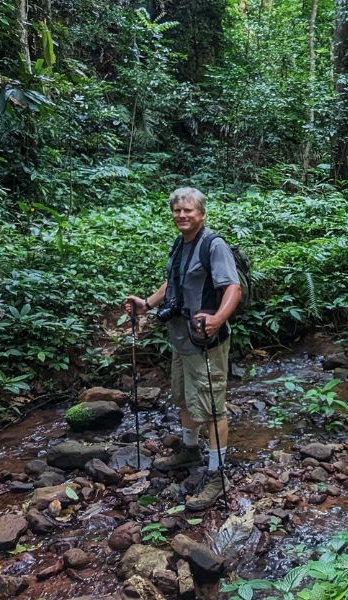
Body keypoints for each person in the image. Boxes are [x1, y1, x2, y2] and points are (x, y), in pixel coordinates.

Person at [126, 187, 241, 511]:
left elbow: (233, 287)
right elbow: (173, 282)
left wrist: (218, 319)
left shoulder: (213, 245)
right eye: (177, 210)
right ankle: (189, 450)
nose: (181, 215)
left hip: (205, 341)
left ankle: (218, 475)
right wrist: (147, 303)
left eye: (188, 210)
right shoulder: (180, 244)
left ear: (201, 214)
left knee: (212, 406)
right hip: (181, 338)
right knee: (183, 397)